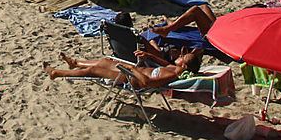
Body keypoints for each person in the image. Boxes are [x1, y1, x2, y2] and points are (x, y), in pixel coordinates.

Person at [43, 48, 202, 90]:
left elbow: (146, 82)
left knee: (93, 71)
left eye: (183, 57)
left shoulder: (173, 76)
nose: (179, 56)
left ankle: (56, 73)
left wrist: (131, 69)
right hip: (133, 71)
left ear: (185, 66)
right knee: (105, 61)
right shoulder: (173, 69)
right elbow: (163, 63)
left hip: (131, 79)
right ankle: (75, 62)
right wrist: (149, 56)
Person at [151, 3, 218, 37]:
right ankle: (173, 25)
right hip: (220, 28)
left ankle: (168, 29)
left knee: (195, 10)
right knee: (204, 7)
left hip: (217, 35)